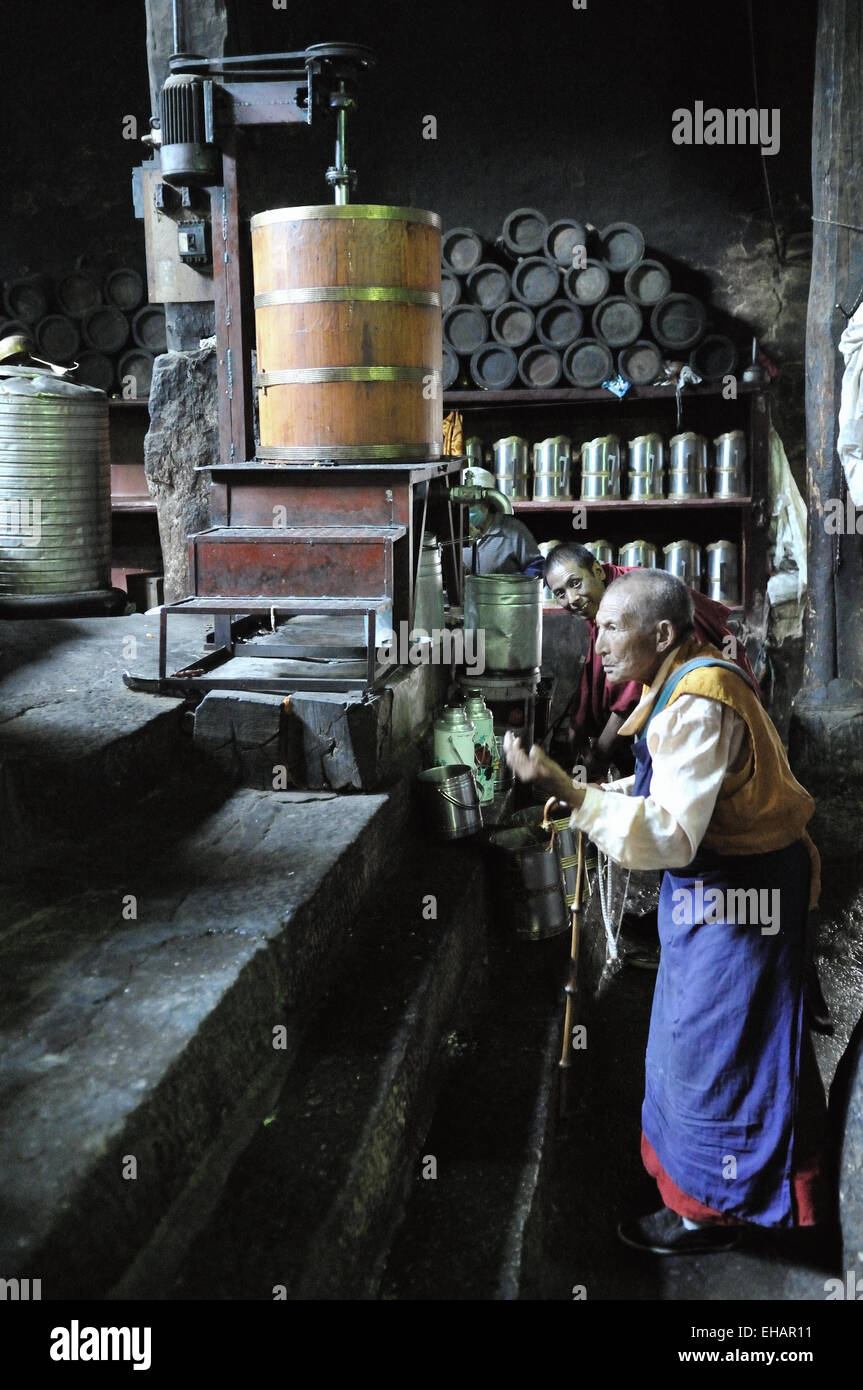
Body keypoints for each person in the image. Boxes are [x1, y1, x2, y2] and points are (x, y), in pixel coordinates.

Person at [504, 568, 827, 1254]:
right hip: (716, 888)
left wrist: (575, 793)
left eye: (613, 627)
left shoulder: (700, 700)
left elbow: (674, 834)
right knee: (718, 1035)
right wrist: (602, 791)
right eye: (597, 627)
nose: (597, 642)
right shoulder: (675, 682)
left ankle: (712, 1211)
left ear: (662, 633)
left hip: (745, 895)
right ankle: (764, 1191)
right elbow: (672, 787)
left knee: (717, 1046)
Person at [544, 542, 759, 779]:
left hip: (713, 699)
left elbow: (631, 694)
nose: (572, 599)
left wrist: (600, 756)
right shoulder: (601, 600)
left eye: (575, 583)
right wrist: (579, 724)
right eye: (560, 593)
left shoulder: (632, 597)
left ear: (597, 570)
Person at [460, 468, 544, 577]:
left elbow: (537, 566)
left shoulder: (514, 530)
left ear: (487, 502)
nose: (466, 508)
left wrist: (517, 586)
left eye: (472, 503)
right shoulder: (454, 533)